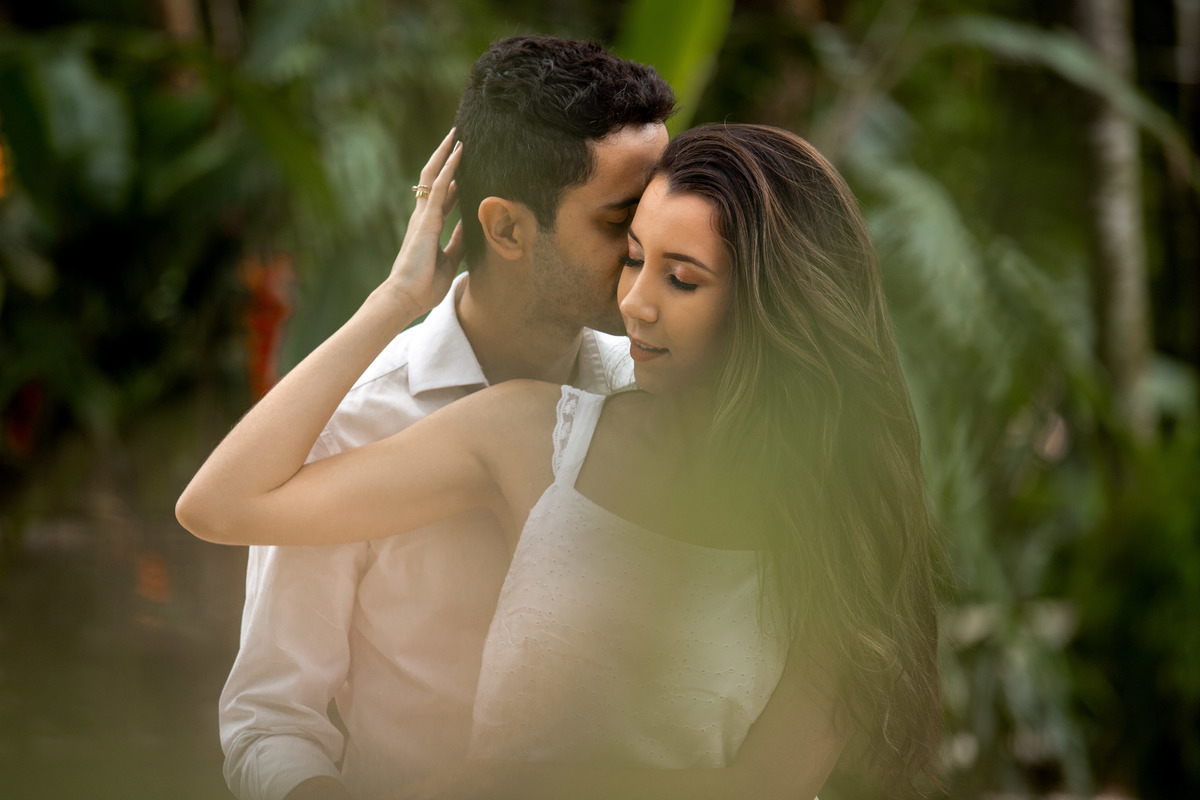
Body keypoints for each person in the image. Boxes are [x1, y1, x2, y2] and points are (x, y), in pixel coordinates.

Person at [181, 123, 940, 799]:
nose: (635, 301)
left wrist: (525, 783)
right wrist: (396, 300)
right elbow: (219, 506)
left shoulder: (843, 517)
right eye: (632, 257)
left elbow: (766, 787)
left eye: (681, 278)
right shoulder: (534, 431)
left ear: (774, 305)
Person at [216, 36, 674, 800]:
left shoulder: (656, 392)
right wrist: (395, 300)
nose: (647, 248)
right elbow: (271, 721)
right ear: (508, 230)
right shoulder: (352, 424)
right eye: (620, 222)